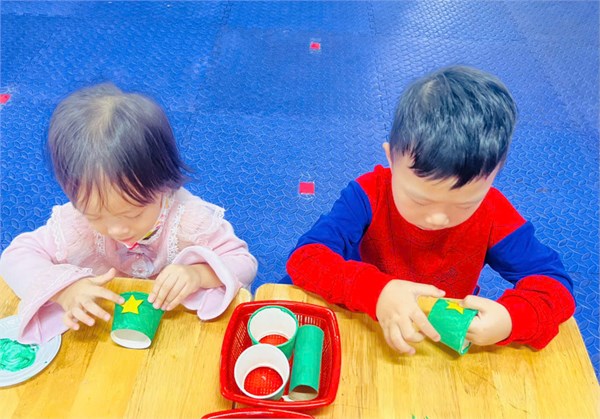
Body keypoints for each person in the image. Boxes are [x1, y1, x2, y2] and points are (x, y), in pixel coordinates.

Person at [286, 66, 575, 355]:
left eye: (464, 204)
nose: (438, 218)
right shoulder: (367, 196)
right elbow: (305, 259)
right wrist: (377, 291)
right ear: (391, 159)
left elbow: (555, 285)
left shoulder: (494, 213)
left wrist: (511, 319)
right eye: (420, 200)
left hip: (440, 343)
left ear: (494, 175)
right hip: (367, 323)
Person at [0, 83, 258, 343]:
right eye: (95, 215)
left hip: (178, 331)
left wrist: (198, 274)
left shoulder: (190, 220)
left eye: (132, 214)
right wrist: (65, 290)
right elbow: (15, 256)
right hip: (103, 330)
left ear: (163, 185)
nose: (116, 230)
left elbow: (243, 263)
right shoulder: (76, 224)